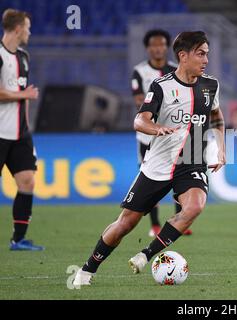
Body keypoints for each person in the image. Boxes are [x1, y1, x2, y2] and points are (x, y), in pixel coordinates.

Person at [74, 31, 226, 285]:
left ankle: (146, 255)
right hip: (158, 164)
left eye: (207, 54)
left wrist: (221, 148)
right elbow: (139, 120)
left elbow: (217, 117)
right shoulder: (162, 86)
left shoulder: (211, 85)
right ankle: (87, 269)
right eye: (201, 54)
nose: (206, 59)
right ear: (183, 56)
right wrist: (157, 128)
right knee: (126, 223)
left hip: (191, 162)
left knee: (195, 206)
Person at [131, 29, 192, 237]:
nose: (158, 48)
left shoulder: (176, 70)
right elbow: (140, 101)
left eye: (162, 44)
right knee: (150, 178)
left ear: (166, 47)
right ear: (148, 48)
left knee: (178, 176)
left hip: (175, 135)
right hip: (147, 136)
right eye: (154, 45)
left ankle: (179, 220)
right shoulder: (139, 72)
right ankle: (155, 224)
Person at [0, 9, 43, 251]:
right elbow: (20, 94)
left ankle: (18, 240)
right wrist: (22, 94)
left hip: (20, 135)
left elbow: (23, 99)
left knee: (27, 181)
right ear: (17, 28)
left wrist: (27, 129)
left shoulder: (24, 56)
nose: (29, 31)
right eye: (27, 27)